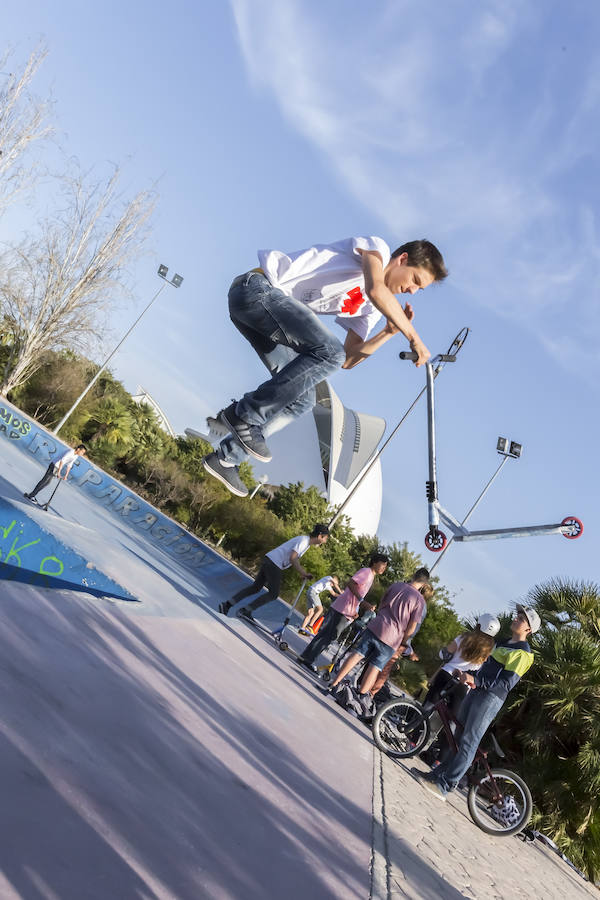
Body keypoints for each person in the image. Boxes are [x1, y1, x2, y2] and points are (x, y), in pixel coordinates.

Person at [201, 237, 448, 496]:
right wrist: (414, 338)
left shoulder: (371, 311)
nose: (411, 291)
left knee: (303, 399)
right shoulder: (377, 249)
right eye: (415, 281)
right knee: (329, 352)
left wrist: (388, 332)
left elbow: (348, 359)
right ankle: (245, 414)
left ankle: (227, 459)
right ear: (403, 260)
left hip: (263, 317)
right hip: (256, 289)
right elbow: (376, 288)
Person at [413, 604, 540, 801]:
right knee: (457, 736)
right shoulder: (503, 642)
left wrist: (477, 681)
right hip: (476, 691)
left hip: (490, 698)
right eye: (518, 616)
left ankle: (446, 785)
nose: (516, 619)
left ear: (528, 630)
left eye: (522, 619)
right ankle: (437, 776)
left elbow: (505, 683)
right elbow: (484, 669)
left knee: (468, 741)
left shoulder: (524, 653)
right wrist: (468, 675)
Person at [324, 568, 431, 715]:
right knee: (375, 667)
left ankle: (334, 684)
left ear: (414, 575)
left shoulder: (396, 585)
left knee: (357, 654)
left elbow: (382, 603)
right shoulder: (420, 601)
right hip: (393, 637)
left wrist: (382, 616)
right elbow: (412, 625)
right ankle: (359, 698)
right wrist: (405, 641)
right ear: (425, 584)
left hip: (377, 625)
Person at [217, 524, 330, 620]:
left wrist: (301, 573)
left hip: (270, 560)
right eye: (325, 539)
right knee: (273, 594)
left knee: (255, 587)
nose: (324, 542)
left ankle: (227, 604)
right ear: (320, 536)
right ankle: (246, 610)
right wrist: (303, 573)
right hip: (274, 563)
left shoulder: (305, 543)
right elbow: (293, 558)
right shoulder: (304, 541)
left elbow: (292, 559)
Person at [297, 553, 389, 670]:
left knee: (326, 634)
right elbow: (350, 583)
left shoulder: (371, 576)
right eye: (383, 564)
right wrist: (362, 601)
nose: (384, 568)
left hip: (345, 608)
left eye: (386, 566)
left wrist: (356, 609)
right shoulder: (366, 572)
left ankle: (305, 657)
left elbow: (355, 593)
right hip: (343, 608)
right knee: (330, 635)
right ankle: (308, 659)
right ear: (375, 562)